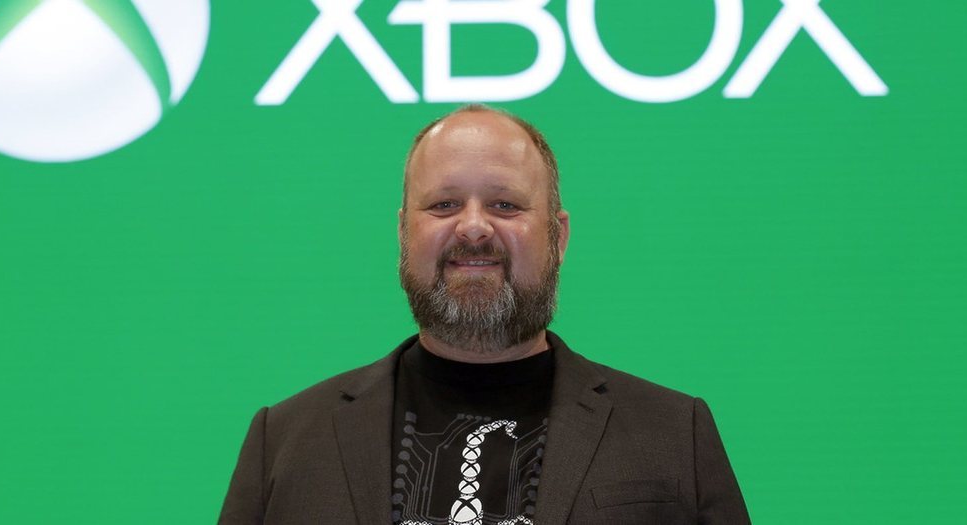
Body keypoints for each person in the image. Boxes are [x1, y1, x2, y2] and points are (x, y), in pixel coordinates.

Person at [218, 105, 750, 524]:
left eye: (505, 205)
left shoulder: (675, 433)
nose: (473, 227)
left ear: (558, 237)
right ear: (404, 234)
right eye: (444, 205)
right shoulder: (283, 441)